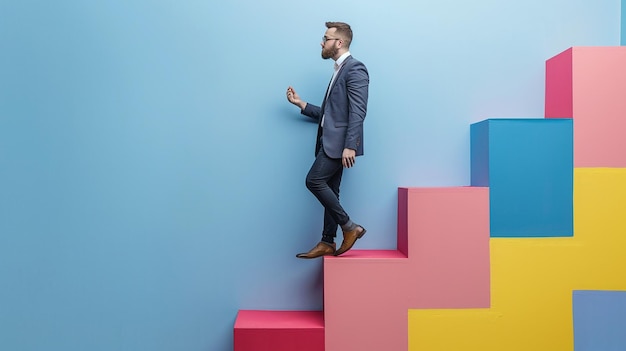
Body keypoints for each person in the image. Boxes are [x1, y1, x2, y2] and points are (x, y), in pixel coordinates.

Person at [286, 21, 369, 259]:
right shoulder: (337, 70)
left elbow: (358, 111)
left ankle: (350, 227)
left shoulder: (355, 68)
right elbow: (331, 115)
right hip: (328, 142)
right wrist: (302, 104)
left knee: (314, 181)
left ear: (339, 42)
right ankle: (327, 241)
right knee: (332, 190)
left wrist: (350, 146)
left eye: (326, 38)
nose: (322, 42)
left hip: (339, 145)